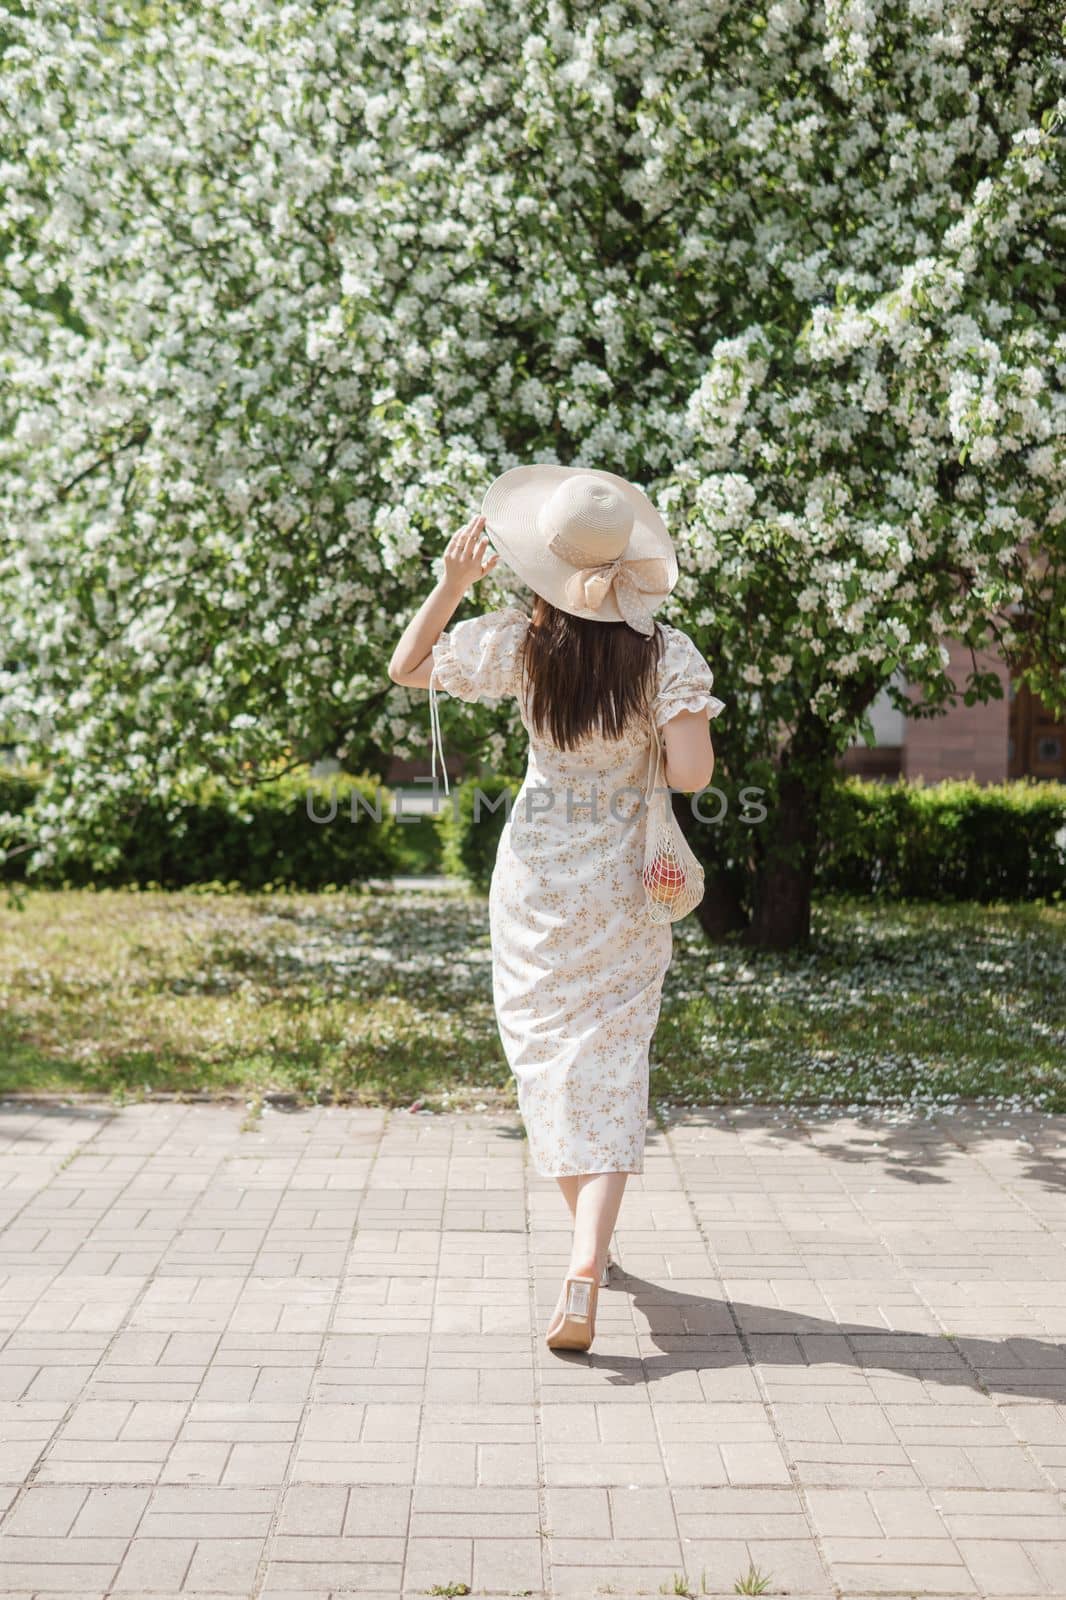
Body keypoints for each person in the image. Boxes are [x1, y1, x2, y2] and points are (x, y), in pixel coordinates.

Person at [388, 466, 725, 1353]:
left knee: (548, 1059)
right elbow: (692, 774)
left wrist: (453, 583)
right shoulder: (666, 654)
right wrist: (650, 740)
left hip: (539, 873)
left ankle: (588, 1256)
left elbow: (408, 667)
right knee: (612, 1061)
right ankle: (587, 1261)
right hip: (623, 880)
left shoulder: (522, 645)